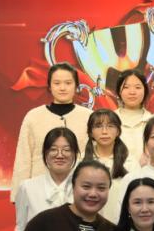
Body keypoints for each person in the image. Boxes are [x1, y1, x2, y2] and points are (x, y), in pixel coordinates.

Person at [10, 62, 92, 202]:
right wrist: (18, 195)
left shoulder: (88, 117)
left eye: (68, 83)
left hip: (77, 193)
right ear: (49, 86)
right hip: (39, 192)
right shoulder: (33, 116)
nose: (62, 88)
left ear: (76, 86)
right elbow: (23, 157)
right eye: (57, 83)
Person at [15, 128, 78, 231]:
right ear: (45, 153)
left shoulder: (85, 189)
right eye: (53, 149)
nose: (60, 155)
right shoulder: (27, 188)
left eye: (66, 150)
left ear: (75, 154)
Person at [84, 109, 133, 224]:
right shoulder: (81, 161)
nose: (104, 131)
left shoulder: (130, 162)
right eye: (98, 126)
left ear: (118, 131)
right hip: (88, 224)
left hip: (121, 224)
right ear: (90, 132)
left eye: (110, 126)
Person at [114, 69, 154, 163]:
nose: (132, 92)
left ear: (145, 90)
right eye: (126, 87)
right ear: (119, 91)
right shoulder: (109, 120)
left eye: (137, 87)